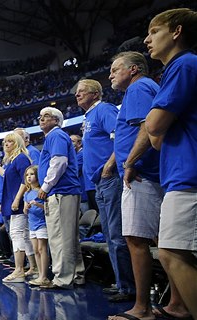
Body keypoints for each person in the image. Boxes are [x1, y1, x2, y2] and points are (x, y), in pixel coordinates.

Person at [144, 8, 197, 320]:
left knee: (171, 253)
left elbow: (153, 127)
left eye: (154, 31)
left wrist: (155, 124)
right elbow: (157, 140)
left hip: (188, 175)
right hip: (182, 171)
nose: (148, 39)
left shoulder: (183, 64)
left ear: (176, 31)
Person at [105, 51, 164, 320]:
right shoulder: (141, 87)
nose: (111, 74)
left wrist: (130, 161)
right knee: (158, 242)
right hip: (145, 173)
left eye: (116, 69)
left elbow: (147, 128)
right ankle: (175, 302)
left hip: (141, 175)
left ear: (134, 69)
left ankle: (142, 308)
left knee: (136, 239)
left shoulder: (139, 87)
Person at [76, 78, 134, 301]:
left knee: (117, 234)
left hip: (110, 179)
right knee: (110, 235)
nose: (77, 95)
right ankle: (121, 283)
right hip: (99, 183)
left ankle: (128, 288)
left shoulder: (104, 109)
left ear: (95, 93)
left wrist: (110, 165)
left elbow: (121, 135)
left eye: (82, 91)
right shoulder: (88, 116)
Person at [36, 107, 85, 290]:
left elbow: (59, 162)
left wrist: (45, 186)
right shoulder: (55, 136)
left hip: (61, 191)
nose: (41, 119)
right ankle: (77, 275)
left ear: (56, 120)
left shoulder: (56, 135)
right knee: (70, 237)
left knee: (60, 236)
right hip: (65, 191)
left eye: (46, 116)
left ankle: (62, 279)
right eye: (40, 116)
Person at [0, 133, 35, 283]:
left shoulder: (21, 157)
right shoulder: (12, 160)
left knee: (17, 234)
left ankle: (19, 270)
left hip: (19, 202)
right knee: (25, 235)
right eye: (5, 142)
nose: (7, 144)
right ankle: (32, 267)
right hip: (13, 201)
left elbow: (25, 179)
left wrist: (16, 199)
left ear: (17, 143)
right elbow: (10, 177)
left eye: (10, 141)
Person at [23, 165, 50, 287]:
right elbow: (25, 211)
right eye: (27, 175)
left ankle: (44, 276)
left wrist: (37, 205)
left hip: (42, 224)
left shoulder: (42, 191)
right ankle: (40, 274)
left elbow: (48, 208)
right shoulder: (27, 193)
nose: (29, 177)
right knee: (35, 250)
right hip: (32, 224)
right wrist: (26, 207)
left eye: (32, 174)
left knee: (42, 249)